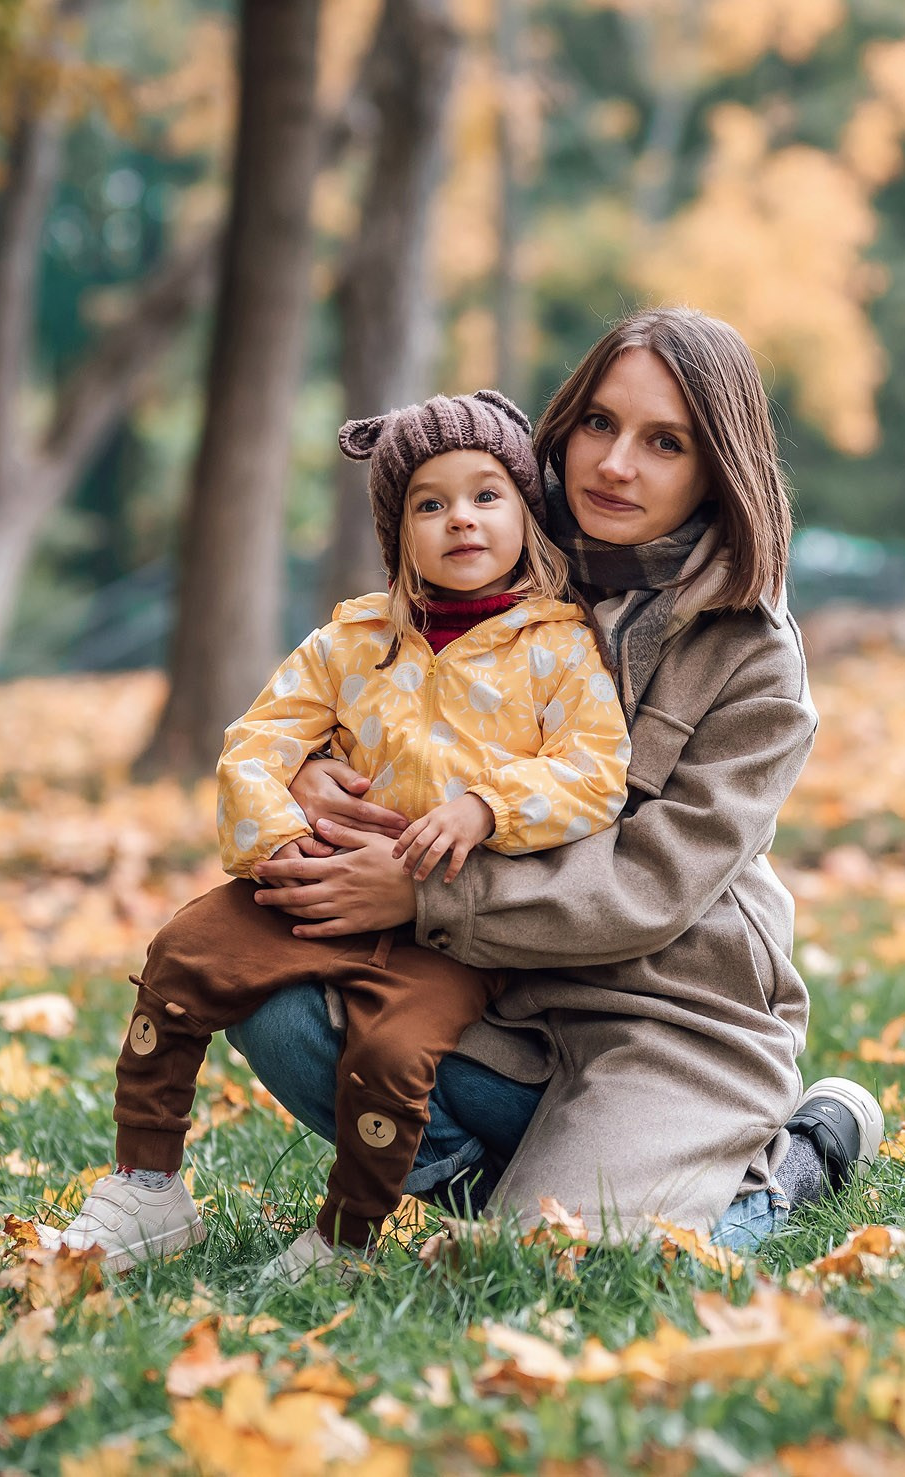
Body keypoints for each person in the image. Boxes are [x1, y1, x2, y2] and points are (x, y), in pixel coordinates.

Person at [232, 308, 882, 1260]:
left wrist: (422, 894)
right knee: (268, 991)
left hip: (665, 1023)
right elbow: (367, 688)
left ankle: (791, 1166)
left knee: (562, 1269)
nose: (617, 465)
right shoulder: (494, 549)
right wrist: (313, 769)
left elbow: (649, 886)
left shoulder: (756, 665)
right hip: (493, 1001)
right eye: (599, 425)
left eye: (666, 442)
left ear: (717, 467)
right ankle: (504, 1188)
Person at [58, 389, 630, 1276]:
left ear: (528, 511)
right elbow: (258, 739)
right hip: (322, 883)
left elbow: (595, 769)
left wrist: (486, 807)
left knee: (392, 1052)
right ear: (398, 531)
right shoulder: (355, 639)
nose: (461, 521)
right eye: (429, 504)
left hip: (449, 923)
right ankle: (146, 1184)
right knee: (184, 955)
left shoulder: (558, 648)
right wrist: (280, 833)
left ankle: (348, 1234)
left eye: (487, 496)